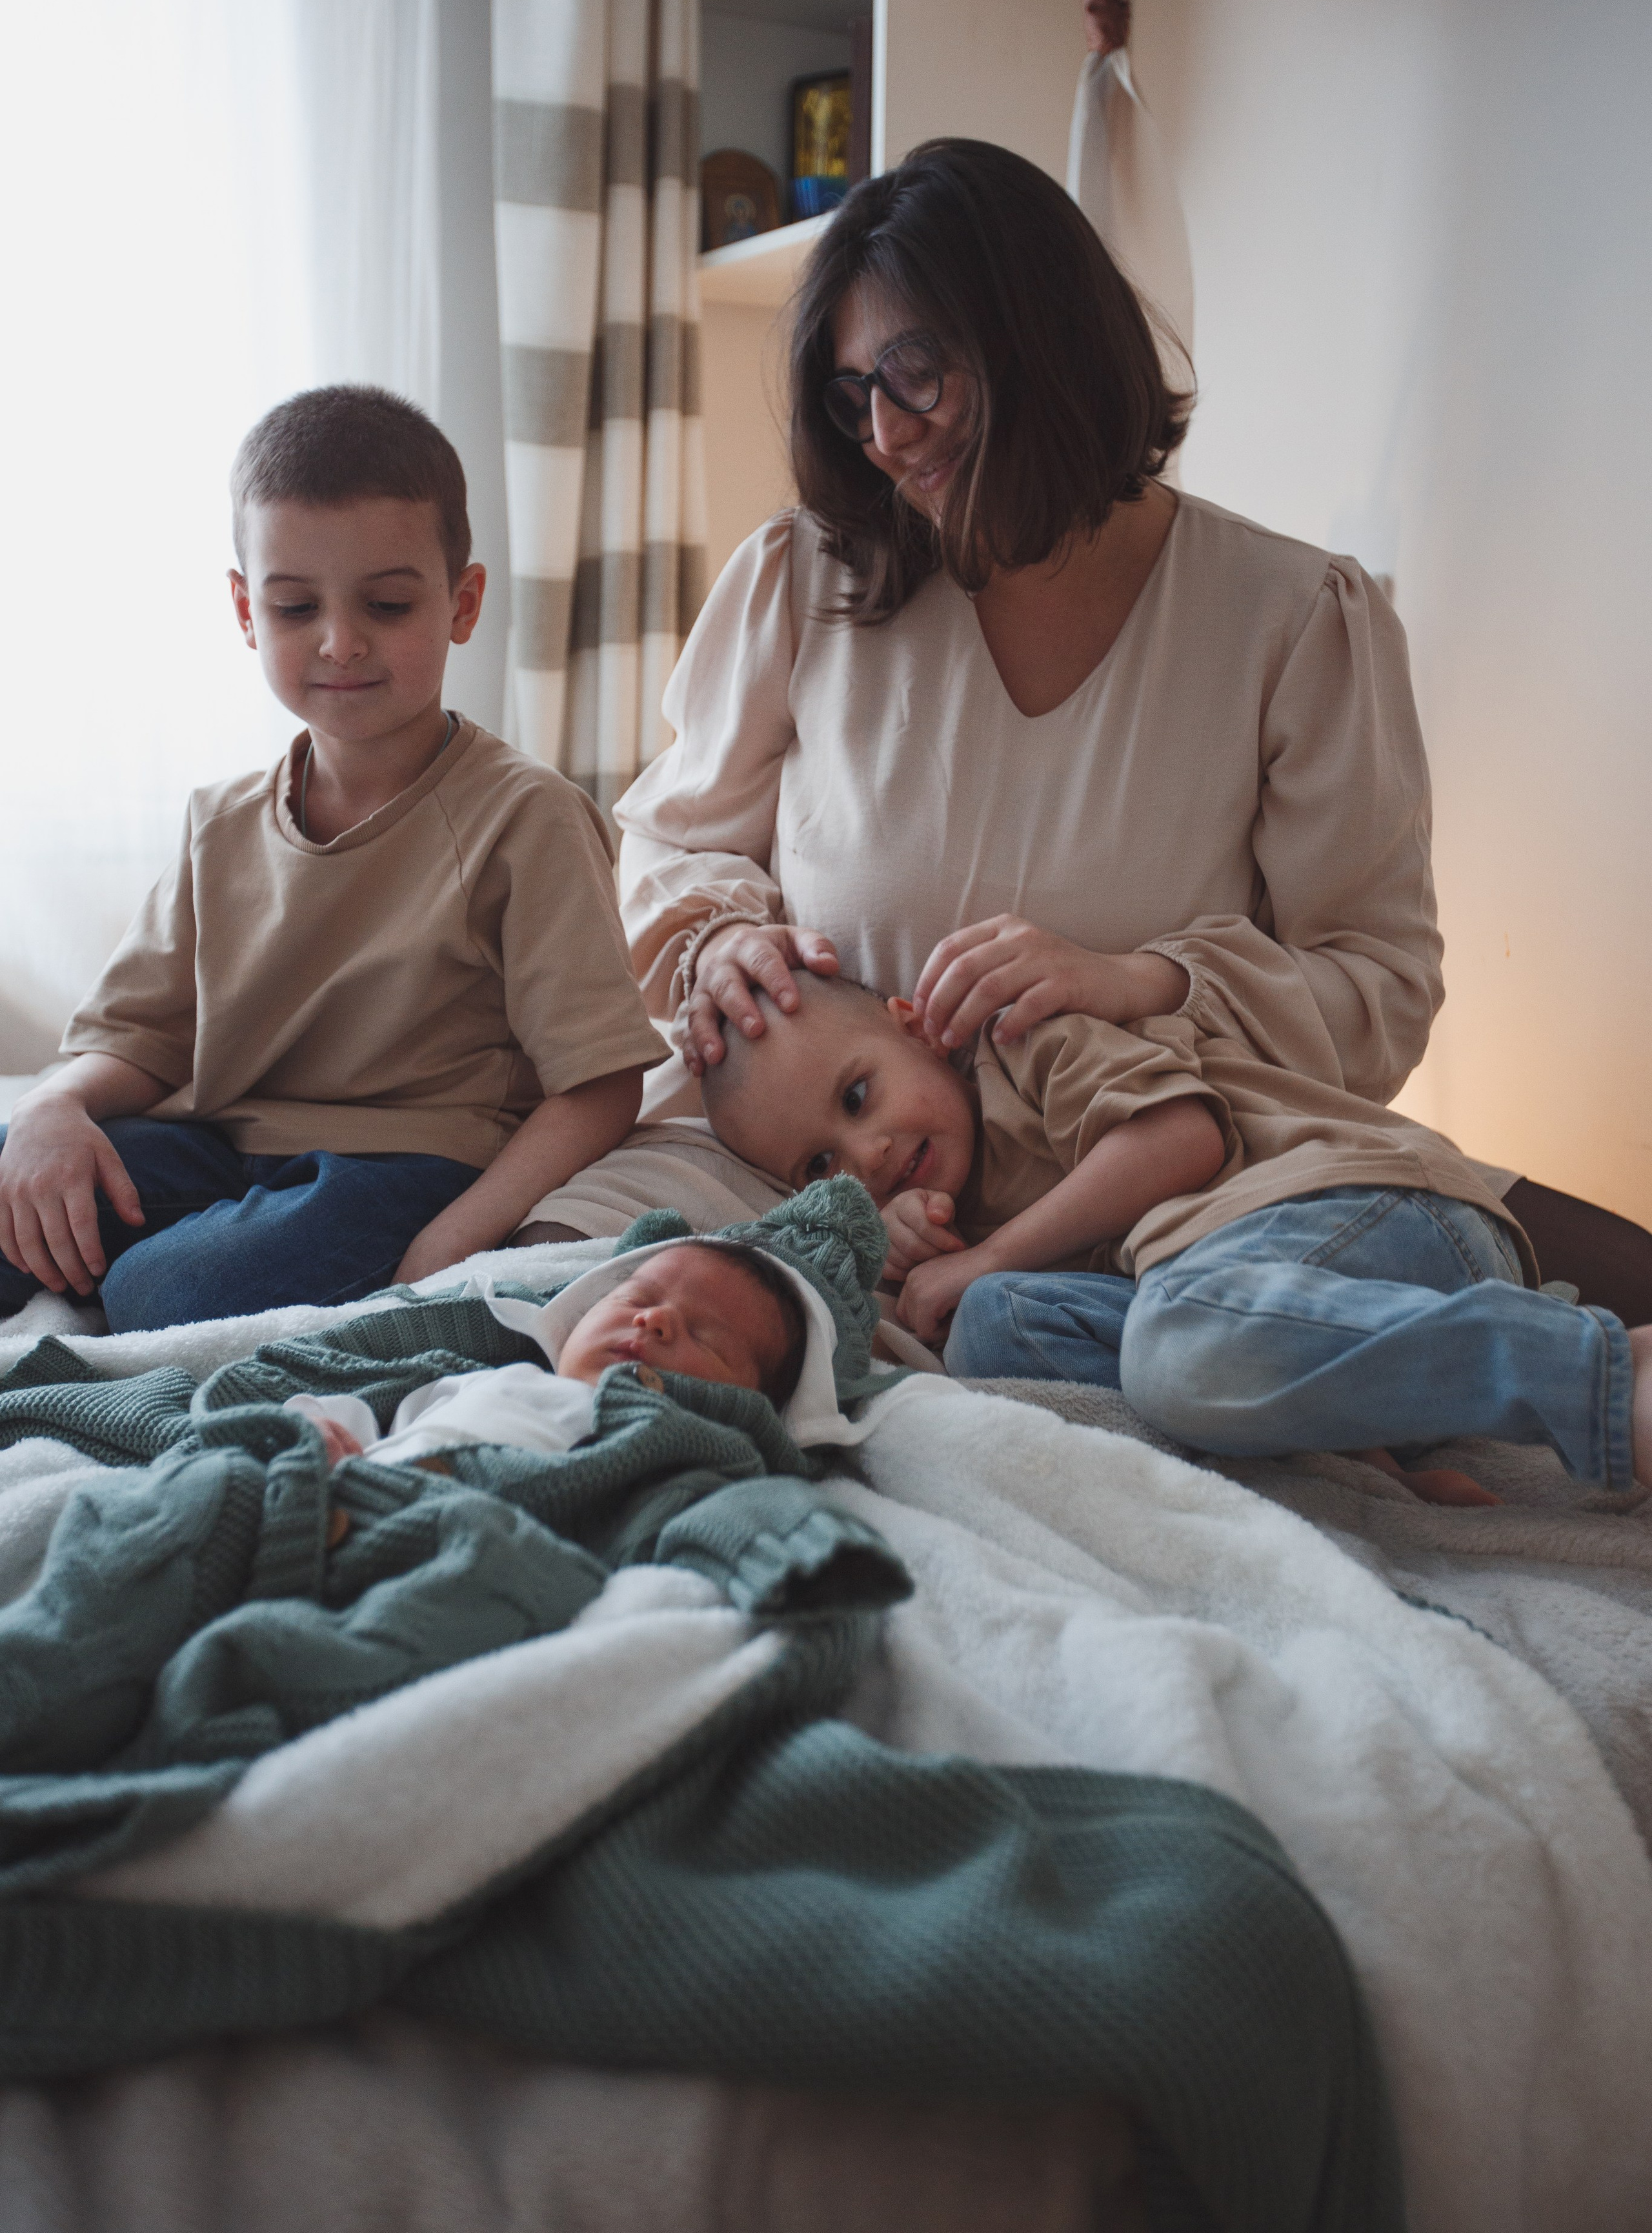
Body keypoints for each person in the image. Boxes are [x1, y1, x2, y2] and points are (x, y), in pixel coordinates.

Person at [596, 136, 1652, 1326]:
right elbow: (666, 845)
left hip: (1191, 1173)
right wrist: (715, 952)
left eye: (917, 371)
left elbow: (1379, 989)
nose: (887, 437)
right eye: (856, 398)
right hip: (867, 1214)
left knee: (1554, 1273)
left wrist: (1135, 981)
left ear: (1038, 336)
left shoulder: (1292, 619)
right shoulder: (806, 579)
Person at [0, 386, 668, 1333]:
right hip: (225, 1151)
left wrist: (456, 1239)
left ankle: (134, 1275)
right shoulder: (218, 823)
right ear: (244, 610)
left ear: (462, 603)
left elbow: (599, 1085)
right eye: (294, 605)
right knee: (19, 1174)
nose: (341, 642)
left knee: (166, 1292)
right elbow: (136, 1039)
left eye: (388, 604)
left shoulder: (529, 818)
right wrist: (50, 1111)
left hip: (402, 1168)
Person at [700, 969, 1652, 1491]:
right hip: (1264, 1298)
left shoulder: (1025, 1045)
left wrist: (992, 1247)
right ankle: (1356, 1444)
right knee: (993, 1328)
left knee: (1173, 1340)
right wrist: (945, 1258)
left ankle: (1609, 1380)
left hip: (1370, 1209)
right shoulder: (949, 1200)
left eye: (859, 1095)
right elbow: (1006, 1297)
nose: (863, 1156)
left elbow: (1181, 1139)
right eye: (820, 1166)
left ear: (917, 1027)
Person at [302, 1234, 810, 1468]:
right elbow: (365, 1422)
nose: (652, 1320)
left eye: (706, 1336)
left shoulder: (678, 1456)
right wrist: (318, 1431)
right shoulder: (483, 1380)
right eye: (637, 1298)